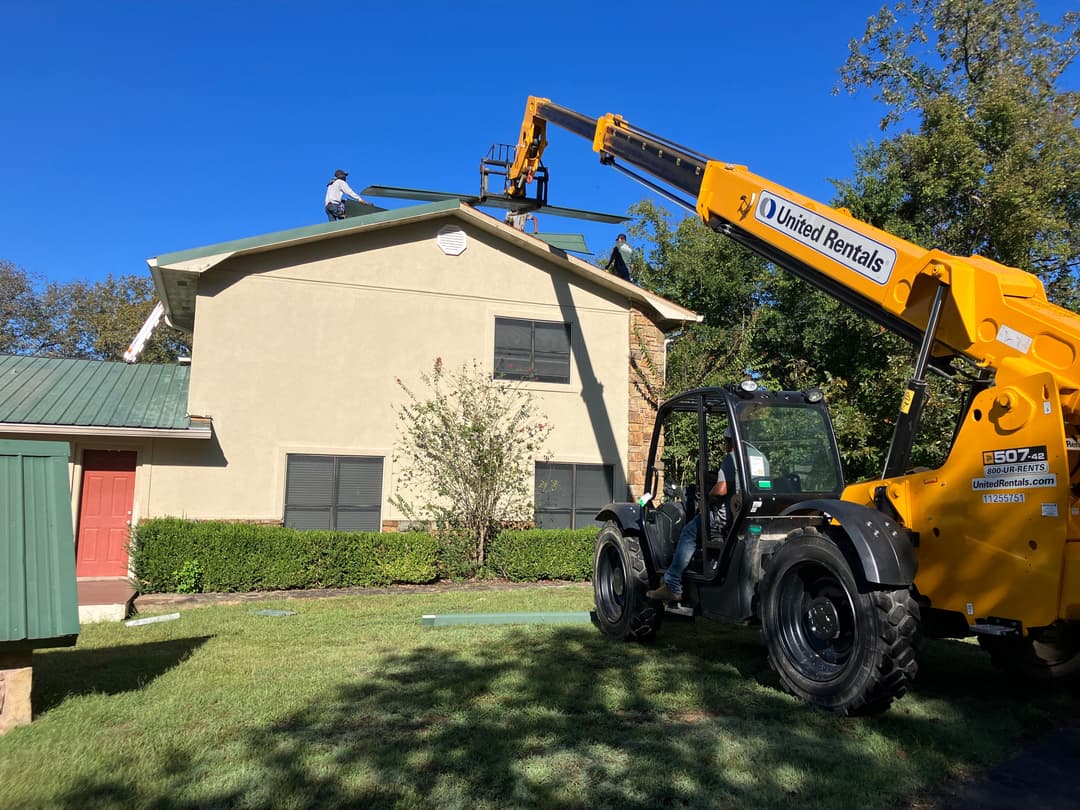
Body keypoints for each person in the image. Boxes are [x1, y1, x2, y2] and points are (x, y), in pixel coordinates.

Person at [647, 427, 737, 603]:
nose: (725, 445)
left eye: (726, 441)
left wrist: (708, 496)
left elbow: (722, 489)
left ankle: (672, 584)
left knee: (689, 531)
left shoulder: (731, 458)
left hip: (725, 519)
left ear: (730, 441)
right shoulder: (757, 457)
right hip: (744, 515)